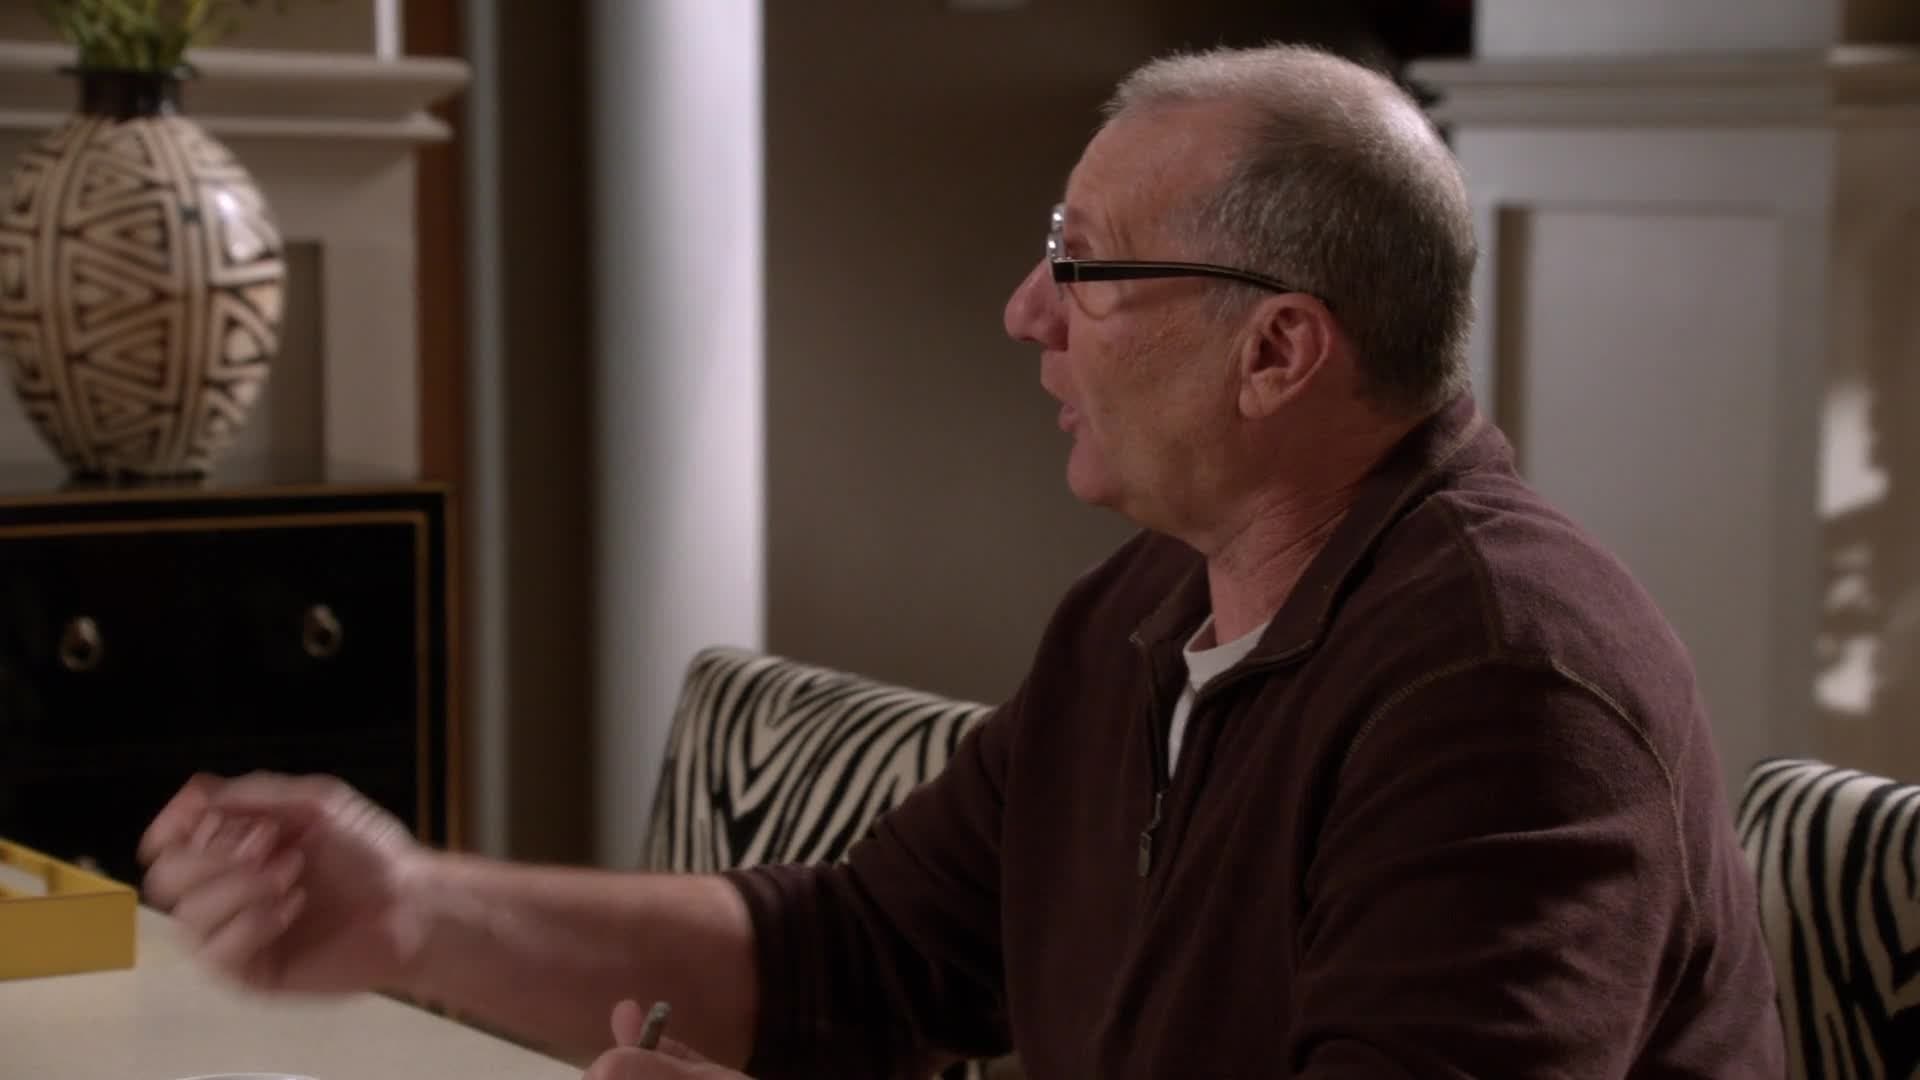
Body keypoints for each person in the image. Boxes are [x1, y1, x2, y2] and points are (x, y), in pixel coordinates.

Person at [138, 44, 1786, 1079]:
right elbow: (852, 959)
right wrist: (411, 911)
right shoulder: (1147, 610)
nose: (1025, 311)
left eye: (1085, 267)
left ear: (1279, 350)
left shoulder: (1506, 688)